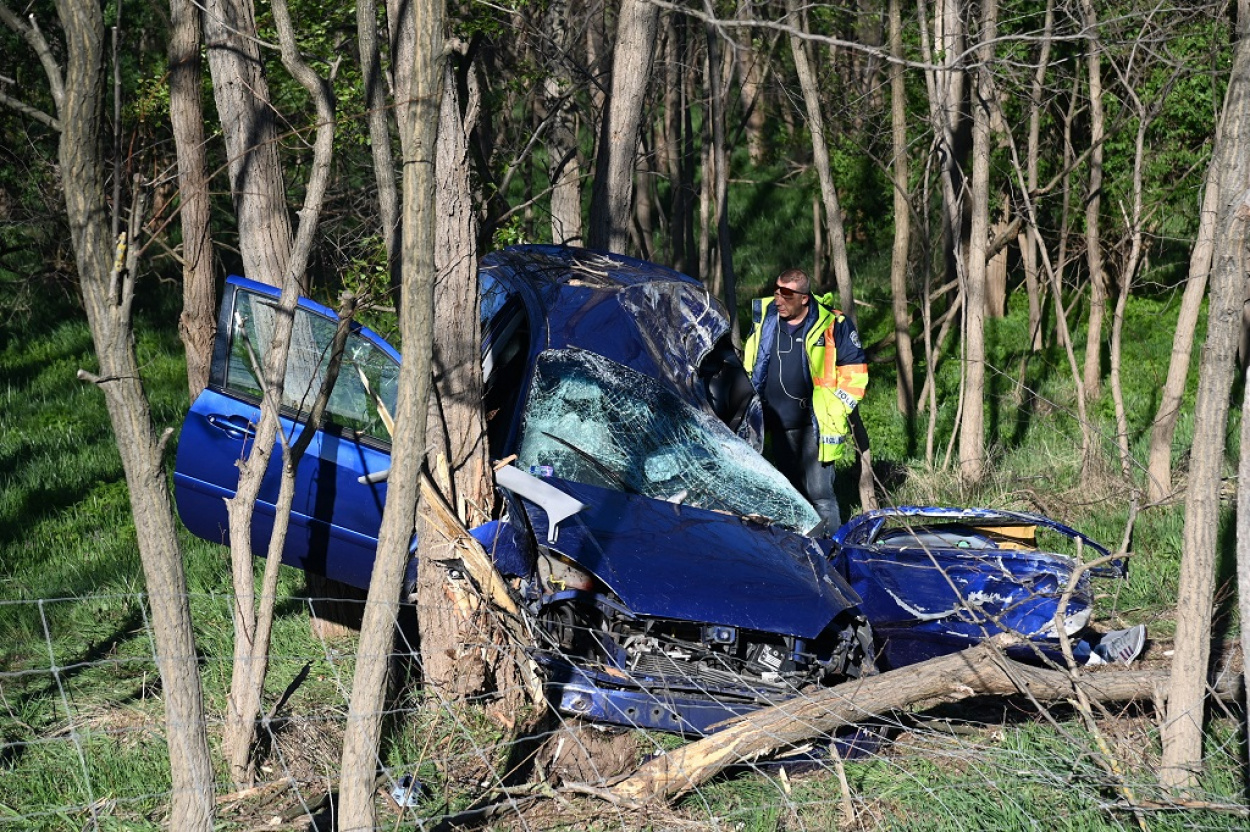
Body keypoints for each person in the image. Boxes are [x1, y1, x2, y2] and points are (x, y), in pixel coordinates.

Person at [743, 268, 868, 535]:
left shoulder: (833, 324)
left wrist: (837, 408)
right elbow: (752, 362)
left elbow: (855, 374)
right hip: (774, 424)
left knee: (820, 495)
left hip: (815, 425)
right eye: (776, 292)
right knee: (790, 496)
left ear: (804, 298)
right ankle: (800, 555)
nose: (778, 299)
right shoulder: (766, 319)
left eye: (786, 294)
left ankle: (830, 554)